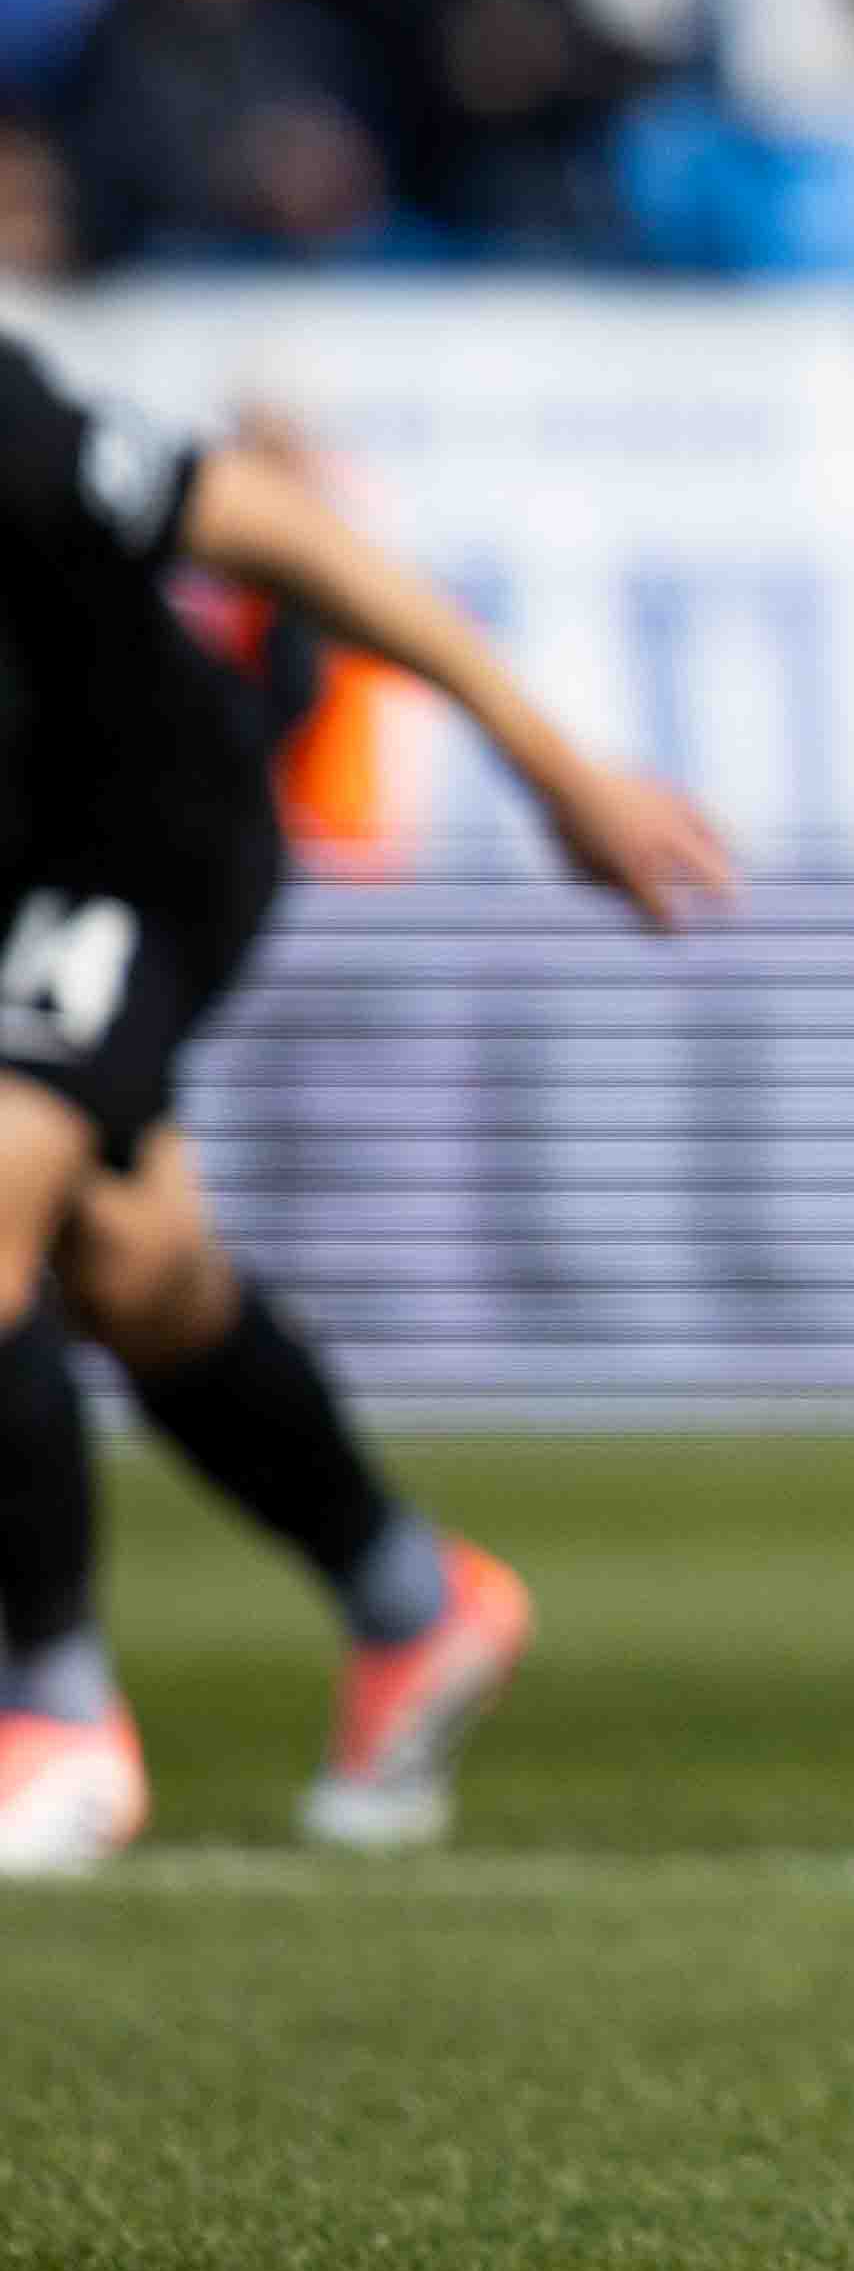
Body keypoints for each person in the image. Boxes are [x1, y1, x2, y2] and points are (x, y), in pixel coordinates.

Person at [0, 359, 734, 1877]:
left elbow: (287, 533)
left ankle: (52, 1722)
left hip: (131, 831)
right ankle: (410, 1598)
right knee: (134, 1269)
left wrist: (560, 773)